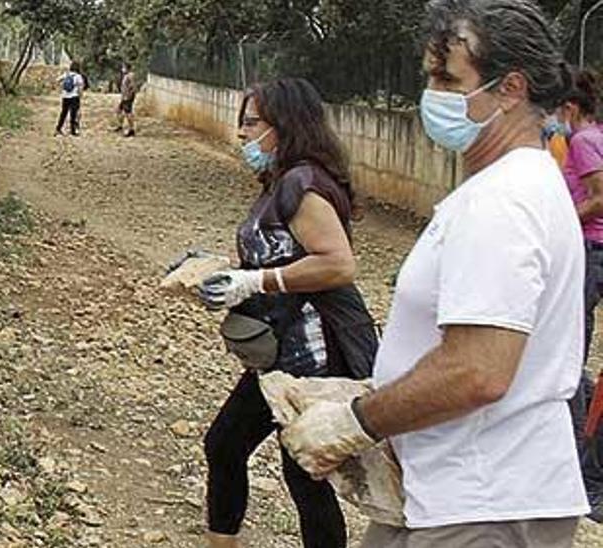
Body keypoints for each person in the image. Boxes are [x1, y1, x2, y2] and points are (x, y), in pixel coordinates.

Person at [281, 1, 589, 546]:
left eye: (448, 79)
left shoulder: (504, 201)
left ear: (510, 88)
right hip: (446, 492)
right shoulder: (506, 187)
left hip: (483, 501)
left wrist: (357, 421)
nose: (432, 95)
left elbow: (478, 369)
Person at [197, 77, 379, 548]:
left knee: (302, 470)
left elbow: (338, 264)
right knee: (226, 445)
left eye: (252, 122)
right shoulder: (283, 180)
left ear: (287, 124)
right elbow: (277, 255)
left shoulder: (303, 183)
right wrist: (226, 278)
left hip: (313, 359)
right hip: (280, 357)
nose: (241, 134)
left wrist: (258, 281)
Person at [559, 67, 603, 520]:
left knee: (570, 353)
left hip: (589, 251)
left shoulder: (582, 140)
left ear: (569, 108)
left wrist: (558, 218)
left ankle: (573, 462)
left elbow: (600, 195)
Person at [56, 62, 85, 136]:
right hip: (74, 97)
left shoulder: (66, 74)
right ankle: (73, 131)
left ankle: (58, 129)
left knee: (63, 113)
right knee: (73, 114)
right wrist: (80, 95)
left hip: (65, 96)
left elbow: (57, 80)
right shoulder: (78, 76)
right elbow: (80, 87)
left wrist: (61, 89)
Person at [113, 63, 137, 137]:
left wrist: (129, 95)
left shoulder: (130, 76)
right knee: (118, 110)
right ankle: (120, 125)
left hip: (127, 97)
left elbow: (133, 87)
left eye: (123, 67)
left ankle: (131, 129)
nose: (122, 69)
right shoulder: (126, 76)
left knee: (128, 113)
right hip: (124, 97)